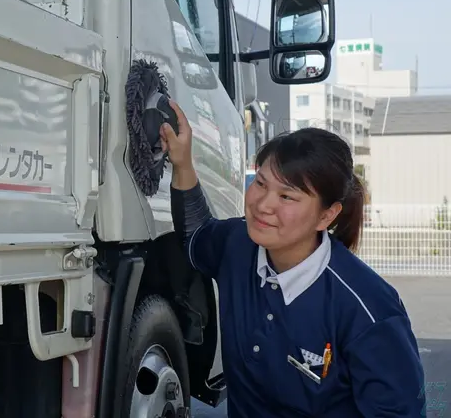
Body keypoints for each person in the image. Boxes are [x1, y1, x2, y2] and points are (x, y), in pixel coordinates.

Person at [161, 100, 426, 417]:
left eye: (286, 196)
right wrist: (182, 162)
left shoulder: (369, 311)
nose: (263, 204)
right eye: (260, 183)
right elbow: (197, 235)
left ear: (326, 215)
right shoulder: (237, 245)